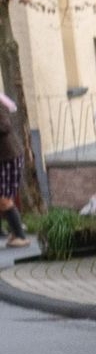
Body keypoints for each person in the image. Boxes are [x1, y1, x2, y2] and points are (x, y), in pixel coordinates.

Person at [0, 93, 28, 246]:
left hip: (9, 157)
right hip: (5, 157)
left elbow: (5, 126)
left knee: (4, 199)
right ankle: (14, 232)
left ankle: (21, 236)